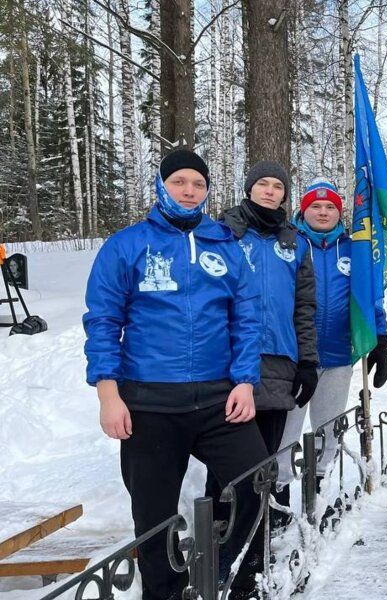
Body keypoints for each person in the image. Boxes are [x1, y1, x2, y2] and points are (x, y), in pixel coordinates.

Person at [83, 149, 267, 600]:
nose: (189, 191)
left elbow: (246, 319)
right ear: (161, 185)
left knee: (256, 483)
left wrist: (244, 381)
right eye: (179, 182)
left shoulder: (224, 245)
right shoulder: (126, 245)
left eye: (198, 184)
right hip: (150, 405)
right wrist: (109, 394)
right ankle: (166, 593)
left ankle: (228, 577)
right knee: (155, 517)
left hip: (219, 401)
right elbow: (103, 321)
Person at [213, 160, 319, 526]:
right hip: (229, 359)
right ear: (249, 188)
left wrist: (307, 361)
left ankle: (255, 530)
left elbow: (304, 307)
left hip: (279, 362)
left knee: (264, 456)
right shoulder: (222, 234)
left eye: (278, 185)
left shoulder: (296, 243)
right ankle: (220, 528)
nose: (270, 190)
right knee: (228, 455)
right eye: (263, 184)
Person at [274, 177, 387, 503]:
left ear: (340, 213)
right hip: (293, 360)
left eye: (330, 207)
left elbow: (370, 298)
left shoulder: (355, 249)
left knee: (328, 434)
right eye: (315, 206)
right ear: (303, 209)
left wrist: (380, 338)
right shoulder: (287, 245)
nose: (323, 212)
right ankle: (280, 506)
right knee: (285, 436)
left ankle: (318, 501)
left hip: (338, 357)